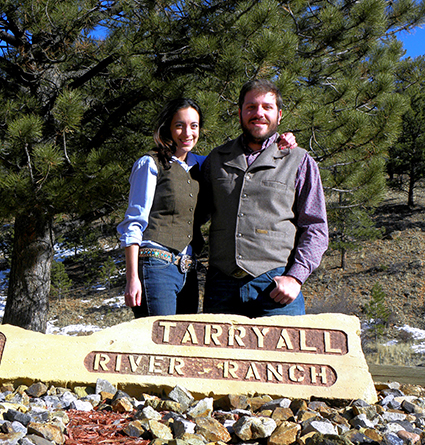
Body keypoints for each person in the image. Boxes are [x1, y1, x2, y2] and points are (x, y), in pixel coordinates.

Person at [201, 79, 328, 317]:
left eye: (267, 107)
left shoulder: (299, 160)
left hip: (276, 286)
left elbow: (315, 227)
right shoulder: (216, 159)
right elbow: (193, 215)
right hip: (221, 287)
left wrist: (295, 277)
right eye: (251, 107)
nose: (258, 113)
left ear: (279, 115)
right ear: (240, 113)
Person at [117, 98, 206, 317]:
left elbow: (236, 154)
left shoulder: (201, 164)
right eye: (179, 125)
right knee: (158, 341)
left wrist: (278, 141)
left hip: (188, 269)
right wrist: (132, 278)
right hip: (156, 265)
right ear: (167, 128)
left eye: (193, 126)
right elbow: (134, 222)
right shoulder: (150, 163)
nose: (187, 133)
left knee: (184, 345)